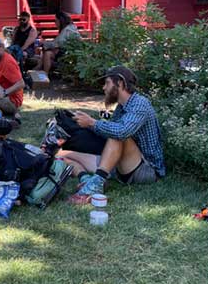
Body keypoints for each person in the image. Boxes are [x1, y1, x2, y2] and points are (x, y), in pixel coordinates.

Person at [62, 66, 166, 194]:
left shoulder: (140, 103)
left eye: (107, 83)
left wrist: (92, 122)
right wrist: (81, 123)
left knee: (118, 134)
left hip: (146, 169)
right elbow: (108, 131)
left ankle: (96, 184)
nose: (104, 88)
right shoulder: (121, 107)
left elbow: (121, 132)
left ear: (120, 83)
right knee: (63, 155)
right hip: (120, 165)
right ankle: (86, 178)